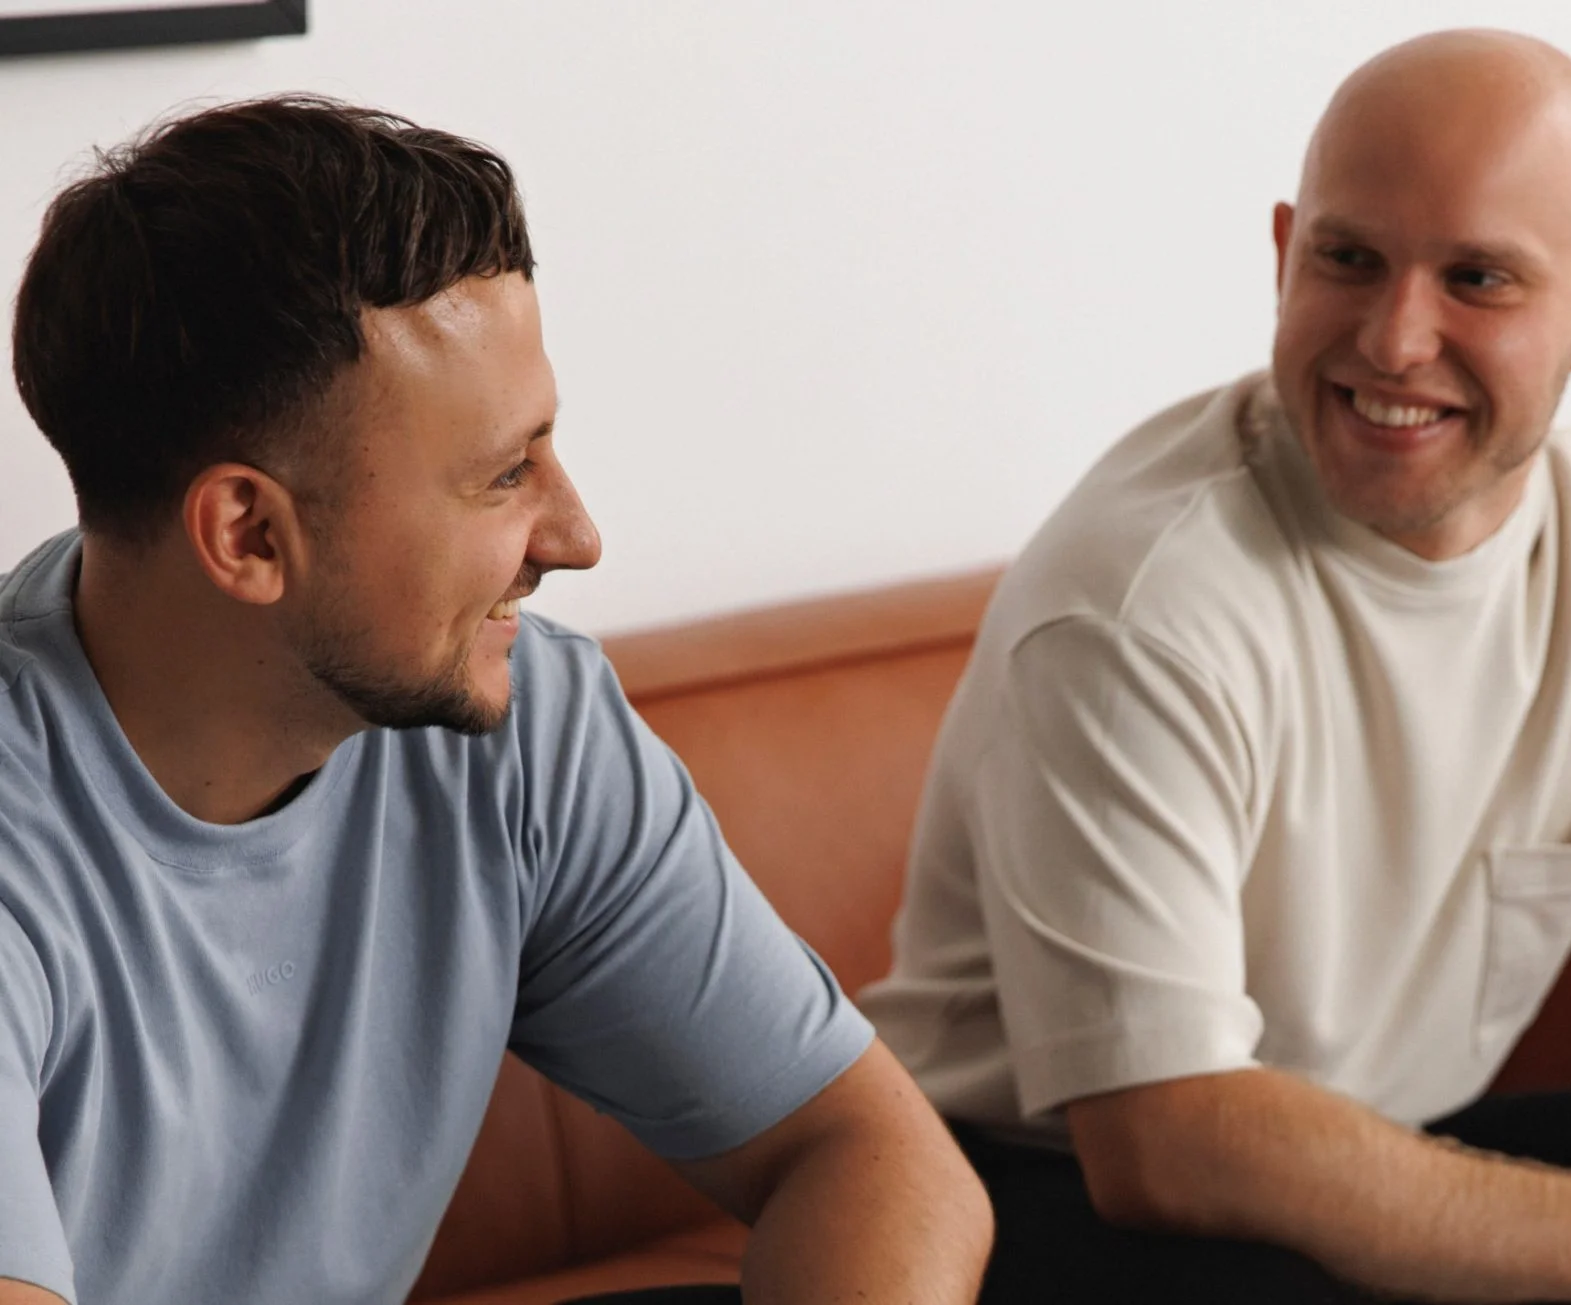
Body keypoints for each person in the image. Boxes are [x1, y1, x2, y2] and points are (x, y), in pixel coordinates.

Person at [862, 29, 1571, 1305]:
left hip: (1361, 1145)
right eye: (1347, 260)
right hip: (1026, 1187)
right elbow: (1162, 1141)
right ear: (1284, 253)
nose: (1394, 339)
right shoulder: (1138, 603)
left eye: (1476, 278)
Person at [0, 97, 991, 1305]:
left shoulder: (524, 724)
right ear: (250, 534)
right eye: (503, 475)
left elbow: (868, 1156)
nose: (575, 536)